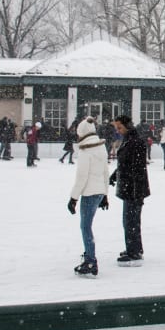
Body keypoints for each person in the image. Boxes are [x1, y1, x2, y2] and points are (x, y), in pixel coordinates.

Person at [68, 116, 110, 276]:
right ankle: (88, 255)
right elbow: (105, 173)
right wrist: (105, 194)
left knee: (85, 227)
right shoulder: (101, 148)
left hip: (89, 193)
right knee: (87, 226)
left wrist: (73, 198)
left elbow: (81, 177)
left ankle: (91, 261)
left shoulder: (86, 150)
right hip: (99, 192)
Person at [109, 114, 150, 263]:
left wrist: (134, 190)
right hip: (130, 187)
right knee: (130, 220)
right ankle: (134, 248)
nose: (118, 130)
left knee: (130, 220)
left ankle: (134, 252)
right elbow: (124, 164)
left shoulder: (135, 142)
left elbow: (137, 168)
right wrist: (115, 176)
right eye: (116, 127)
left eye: (119, 127)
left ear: (127, 126)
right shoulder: (129, 140)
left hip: (133, 189)